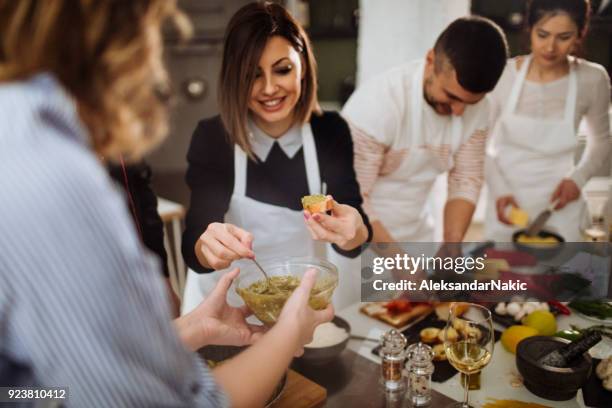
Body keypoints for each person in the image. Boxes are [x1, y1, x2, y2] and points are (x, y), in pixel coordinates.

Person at [0, 1, 332, 407]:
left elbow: (34, 386)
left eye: (281, 70)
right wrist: (286, 336)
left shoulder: (18, 129)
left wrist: (190, 328)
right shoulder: (53, 174)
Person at [181, 2, 372, 310]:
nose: (269, 88)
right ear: (234, 78)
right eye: (252, 75)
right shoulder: (214, 137)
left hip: (302, 305)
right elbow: (195, 245)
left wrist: (354, 231)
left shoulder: (330, 132)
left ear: (303, 66)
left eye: (282, 69)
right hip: (228, 309)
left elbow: (355, 236)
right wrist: (208, 246)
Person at [341, 17, 509, 245]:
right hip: (359, 238)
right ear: (430, 60)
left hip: (418, 233)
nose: (459, 111)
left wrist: (452, 242)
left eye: (470, 103)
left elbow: (465, 179)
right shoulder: (377, 107)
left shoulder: (481, 109)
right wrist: (399, 263)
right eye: (451, 97)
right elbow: (353, 200)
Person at [485, 0, 611, 241]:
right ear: (529, 29)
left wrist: (578, 179)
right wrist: (499, 190)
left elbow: (601, 141)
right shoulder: (504, 75)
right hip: (507, 205)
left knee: (564, 277)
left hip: (562, 205)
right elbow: (478, 144)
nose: (550, 47)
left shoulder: (593, 79)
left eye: (564, 37)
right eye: (542, 35)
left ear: (580, 34)